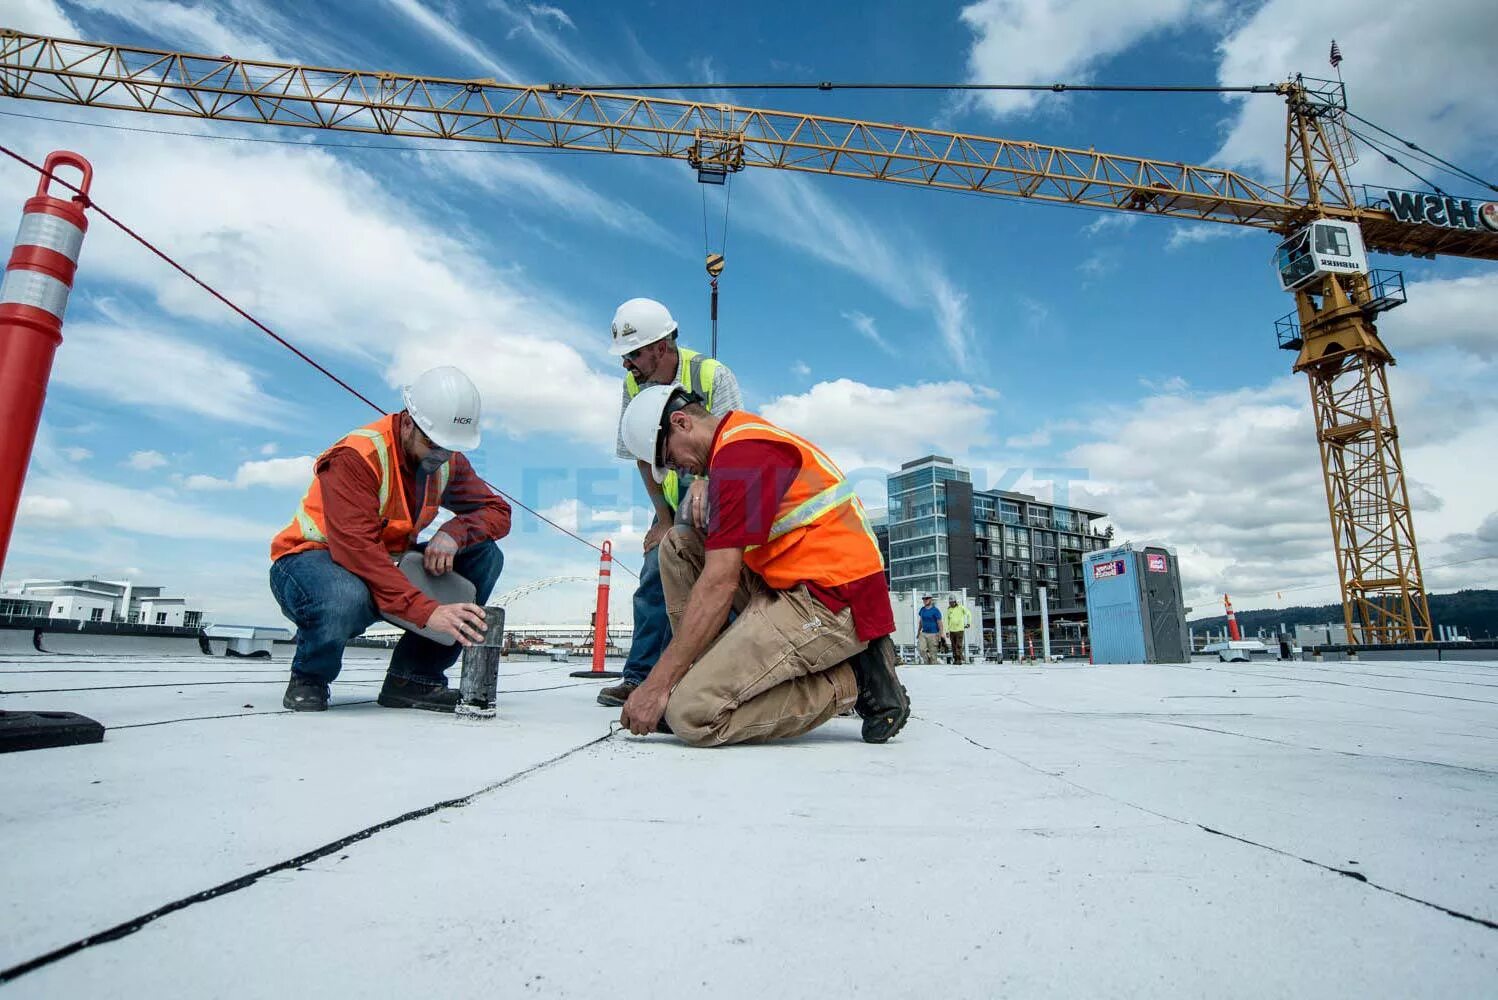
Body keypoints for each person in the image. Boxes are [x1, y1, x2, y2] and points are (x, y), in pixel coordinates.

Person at [614, 385, 909, 746]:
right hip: (790, 580)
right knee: (677, 544)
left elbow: (720, 583)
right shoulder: (736, 440)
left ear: (681, 423)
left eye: (671, 460)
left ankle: (852, 680)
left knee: (690, 714)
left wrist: (658, 686)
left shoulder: (740, 457)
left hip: (831, 600)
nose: (678, 471)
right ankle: (704, 676)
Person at [269, 366, 510, 713]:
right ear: (409, 423)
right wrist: (428, 613)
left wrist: (454, 533)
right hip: (311, 563)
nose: (440, 455)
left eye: (449, 448)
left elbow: (497, 511)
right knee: (343, 596)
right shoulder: (357, 456)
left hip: (385, 565)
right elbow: (358, 552)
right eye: (434, 444)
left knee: (485, 555)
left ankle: (414, 680)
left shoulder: (443, 460)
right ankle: (310, 677)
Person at [596, 297, 743, 709]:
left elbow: (735, 439)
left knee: (724, 578)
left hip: (722, 492)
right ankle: (639, 678)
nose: (627, 364)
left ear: (661, 346)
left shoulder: (711, 375)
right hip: (675, 503)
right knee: (652, 574)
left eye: (634, 353)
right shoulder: (632, 386)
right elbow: (643, 454)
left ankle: (709, 672)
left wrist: (704, 480)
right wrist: (662, 517)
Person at [917, 595, 943, 664]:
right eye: (924, 599)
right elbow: (921, 621)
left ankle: (933, 666)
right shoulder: (922, 609)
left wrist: (940, 634)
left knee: (933, 655)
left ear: (930, 599)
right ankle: (927, 661)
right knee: (921, 649)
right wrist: (918, 632)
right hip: (924, 633)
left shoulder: (935, 610)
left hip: (934, 634)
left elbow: (939, 623)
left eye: (927, 598)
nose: (925, 600)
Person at [946, 596, 971, 664]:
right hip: (952, 631)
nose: (951, 604)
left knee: (958, 645)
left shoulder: (961, 607)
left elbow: (969, 614)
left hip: (960, 630)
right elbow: (947, 620)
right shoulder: (949, 609)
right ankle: (955, 659)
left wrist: (968, 623)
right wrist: (947, 631)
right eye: (950, 602)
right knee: (953, 646)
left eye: (952, 602)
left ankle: (959, 659)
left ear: (955, 602)